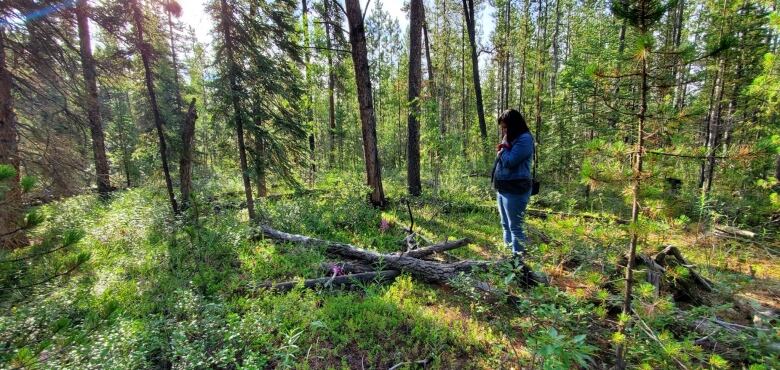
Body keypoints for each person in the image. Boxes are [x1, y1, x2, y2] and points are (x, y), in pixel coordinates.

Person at [491, 109, 534, 264]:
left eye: (506, 127)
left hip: (516, 189)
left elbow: (510, 161)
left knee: (515, 227)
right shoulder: (510, 137)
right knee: (505, 225)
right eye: (503, 127)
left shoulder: (525, 139)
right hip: (503, 188)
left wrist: (501, 151)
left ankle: (518, 263)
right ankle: (508, 259)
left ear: (514, 125)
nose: (504, 130)